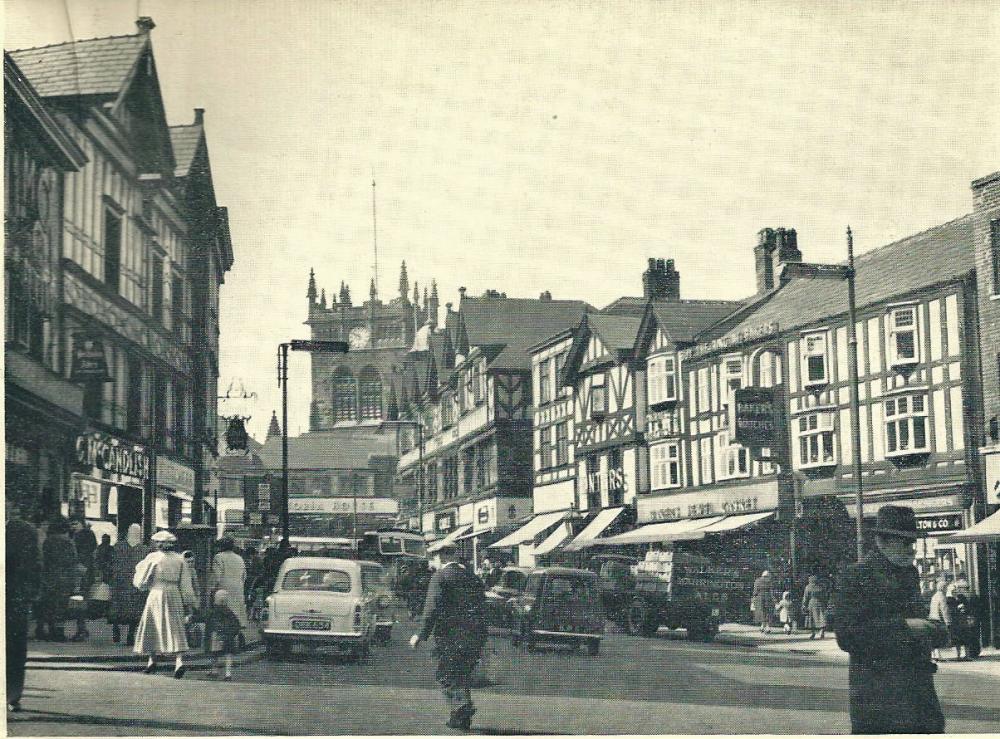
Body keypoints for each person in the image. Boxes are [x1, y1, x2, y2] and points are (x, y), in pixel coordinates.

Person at [833, 505, 948, 734]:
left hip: (919, 697)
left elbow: (920, 623)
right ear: (881, 541)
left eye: (913, 542)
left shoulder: (909, 573)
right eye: (904, 542)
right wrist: (906, 628)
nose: (911, 549)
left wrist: (933, 630)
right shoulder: (856, 575)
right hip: (879, 701)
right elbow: (847, 636)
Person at [410, 543, 488, 731]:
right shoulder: (473, 577)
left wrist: (420, 635)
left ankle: (462, 707)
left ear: (442, 557)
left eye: (434, 557)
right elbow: (484, 608)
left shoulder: (440, 577)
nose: (433, 561)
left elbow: (432, 609)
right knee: (462, 675)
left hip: (450, 636)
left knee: (445, 675)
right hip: (475, 636)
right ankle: (459, 718)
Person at [133, 530, 198, 678]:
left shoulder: (153, 558)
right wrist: (189, 604)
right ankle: (179, 661)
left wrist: (142, 584)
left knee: (152, 625)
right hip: (174, 593)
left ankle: (152, 660)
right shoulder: (180, 559)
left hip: (156, 592)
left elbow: (141, 580)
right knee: (175, 626)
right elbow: (186, 584)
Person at [6, 499, 40, 712]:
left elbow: (35, 565)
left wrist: (30, 594)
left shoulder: (24, 531)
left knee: (15, 648)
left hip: (15, 598)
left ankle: (13, 694)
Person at [37, 518, 78, 642]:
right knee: (61, 606)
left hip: (49, 576)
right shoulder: (68, 542)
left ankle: (50, 630)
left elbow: (44, 559)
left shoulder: (47, 542)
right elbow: (73, 559)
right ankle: (59, 633)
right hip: (64, 577)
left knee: (50, 605)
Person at [109, 524, 151, 645]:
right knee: (135, 610)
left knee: (118, 607)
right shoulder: (144, 549)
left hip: (120, 582)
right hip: (135, 583)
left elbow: (111, 563)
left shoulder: (118, 546)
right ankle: (130, 635)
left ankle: (116, 629)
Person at [210, 537, 249, 638]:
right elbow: (244, 576)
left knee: (225, 613)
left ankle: (226, 638)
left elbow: (217, 577)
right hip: (238, 588)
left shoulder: (218, 557)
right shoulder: (239, 558)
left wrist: (213, 589)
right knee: (237, 612)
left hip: (224, 589)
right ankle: (238, 636)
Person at [204, 589, 243, 681]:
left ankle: (214, 670)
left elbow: (205, 618)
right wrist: (234, 633)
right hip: (228, 636)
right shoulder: (230, 612)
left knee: (214, 653)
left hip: (215, 634)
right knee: (228, 654)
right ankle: (228, 674)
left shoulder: (213, 611)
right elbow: (236, 624)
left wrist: (191, 618)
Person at [928, 578, 953, 661]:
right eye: (945, 587)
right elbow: (944, 609)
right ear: (943, 588)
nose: (946, 589)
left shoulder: (934, 596)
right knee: (939, 637)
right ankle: (938, 655)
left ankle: (935, 655)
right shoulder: (942, 597)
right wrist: (948, 621)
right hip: (939, 620)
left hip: (932, 618)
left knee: (934, 637)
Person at [751, 570, 778, 634]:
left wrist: (753, 600)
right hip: (768, 598)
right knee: (768, 612)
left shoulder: (757, 581)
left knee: (762, 612)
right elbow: (772, 592)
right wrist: (775, 600)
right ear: (768, 575)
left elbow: (755, 591)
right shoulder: (770, 581)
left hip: (759, 598)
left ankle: (762, 626)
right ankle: (768, 627)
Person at [802, 575, 828, 639]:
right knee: (821, 618)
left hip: (811, 604)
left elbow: (806, 597)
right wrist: (825, 603)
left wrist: (804, 605)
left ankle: (813, 633)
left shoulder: (808, 587)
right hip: (820, 603)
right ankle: (821, 631)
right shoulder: (821, 587)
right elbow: (825, 596)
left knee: (812, 619)